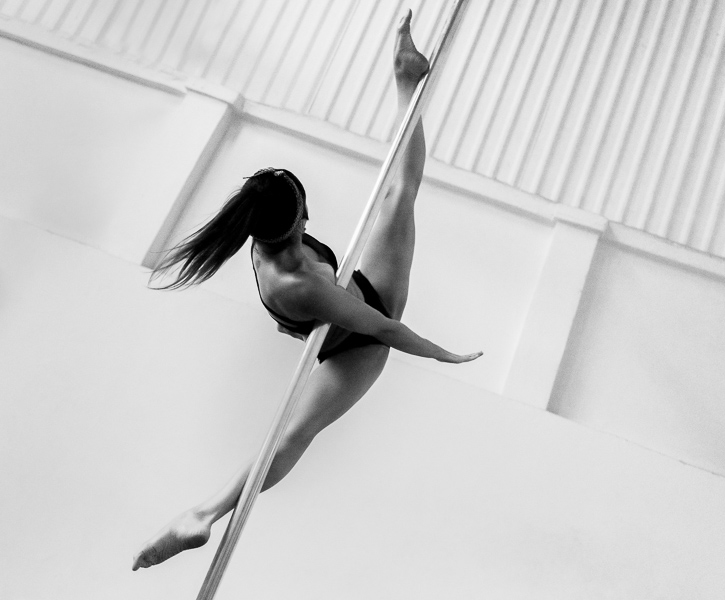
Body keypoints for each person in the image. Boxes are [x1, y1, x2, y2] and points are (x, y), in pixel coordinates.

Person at [132, 11, 481, 571]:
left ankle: (405, 82)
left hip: (353, 297)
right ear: (293, 225)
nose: (307, 219)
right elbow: (384, 329)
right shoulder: (296, 284)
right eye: (303, 219)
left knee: (399, 192)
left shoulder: (264, 229)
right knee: (293, 435)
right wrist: (443, 352)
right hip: (355, 344)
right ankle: (201, 515)